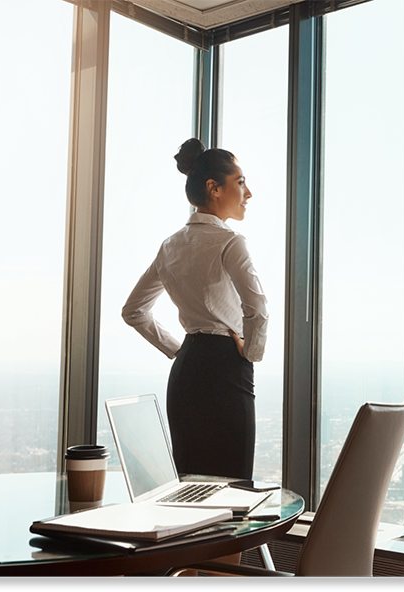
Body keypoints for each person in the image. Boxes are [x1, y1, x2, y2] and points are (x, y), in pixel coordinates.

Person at [122, 138, 268, 480]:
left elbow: (133, 311)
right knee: (233, 485)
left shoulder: (171, 244)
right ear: (213, 188)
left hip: (186, 372)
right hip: (226, 368)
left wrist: (179, 350)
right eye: (241, 182)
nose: (248, 193)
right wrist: (251, 353)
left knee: (190, 483)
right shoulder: (230, 241)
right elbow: (257, 307)